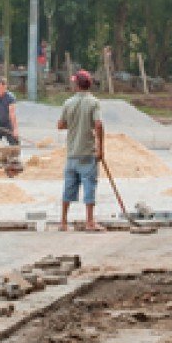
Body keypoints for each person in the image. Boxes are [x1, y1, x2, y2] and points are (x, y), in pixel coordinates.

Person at [57, 69, 105, 232]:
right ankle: (90, 222)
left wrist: (73, 123)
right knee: (89, 186)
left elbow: (60, 125)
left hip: (72, 153)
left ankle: (63, 221)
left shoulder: (68, 103)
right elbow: (98, 124)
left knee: (68, 187)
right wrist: (100, 149)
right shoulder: (93, 103)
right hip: (87, 153)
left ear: (77, 85)